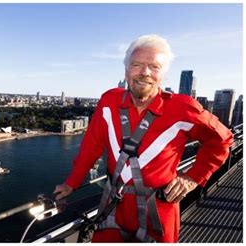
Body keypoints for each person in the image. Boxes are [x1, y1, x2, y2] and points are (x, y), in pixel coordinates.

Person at [53, 34, 233, 242]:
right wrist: (71, 183)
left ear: (162, 75)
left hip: (158, 213)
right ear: (126, 70)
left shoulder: (183, 108)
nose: (145, 72)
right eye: (137, 64)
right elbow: (91, 146)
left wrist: (192, 178)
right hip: (113, 210)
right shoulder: (108, 102)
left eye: (154, 67)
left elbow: (222, 140)